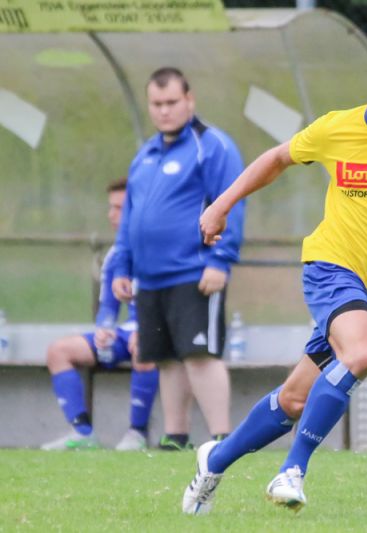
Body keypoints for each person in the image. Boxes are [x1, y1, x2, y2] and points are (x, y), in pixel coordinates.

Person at [181, 34, 367, 515]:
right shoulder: (337, 128)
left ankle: (213, 460)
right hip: (332, 266)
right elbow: (278, 158)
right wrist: (220, 205)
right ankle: (292, 470)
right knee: (361, 354)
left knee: (294, 400)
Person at [112, 67, 246, 451]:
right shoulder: (145, 154)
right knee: (166, 358)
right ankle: (176, 437)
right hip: (151, 277)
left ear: (189, 99)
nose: (164, 110)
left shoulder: (213, 145)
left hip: (195, 271)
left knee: (199, 354)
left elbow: (231, 201)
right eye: (156, 103)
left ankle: (222, 439)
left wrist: (220, 259)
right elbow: (130, 217)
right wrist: (122, 266)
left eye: (171, 102)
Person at [42, 178, 159, 451]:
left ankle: (137, 433)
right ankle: (82, 432)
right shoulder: (116, 255)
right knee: (58, 351)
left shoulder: (163, 249)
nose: (111, 215)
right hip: (127, 333)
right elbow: (108, 305)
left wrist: (149, 329)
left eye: (119, 208)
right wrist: (104, 328)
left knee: (144, 346)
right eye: (110, 207)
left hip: (160, 334)